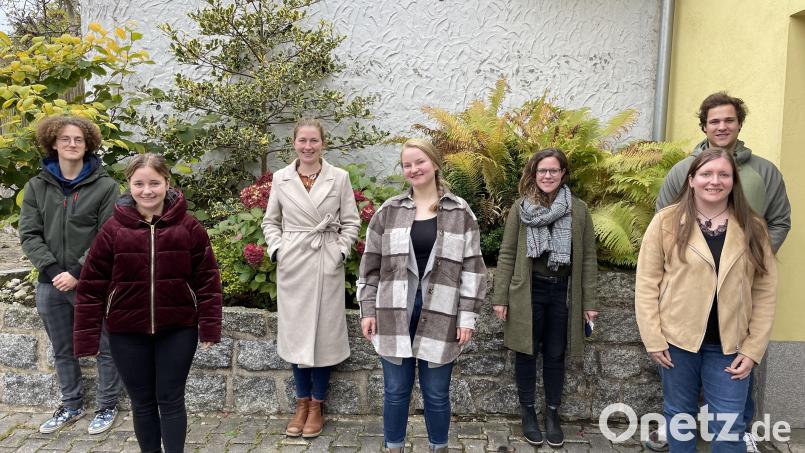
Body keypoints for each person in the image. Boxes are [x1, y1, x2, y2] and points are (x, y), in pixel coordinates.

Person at [653, 92, 790, 453]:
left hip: (734, 315)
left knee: (730, 413)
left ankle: (740, 432)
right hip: (682, 323)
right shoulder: (680, 171)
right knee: (679, 409)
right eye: (714, 121)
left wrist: (748, 259)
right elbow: (658, 247)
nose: (722, 126)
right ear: (704, 126)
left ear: (739, 123)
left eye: (729, 120)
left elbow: (779, 222)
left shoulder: (764, 173)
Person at [74, 153, 222, 453]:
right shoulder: (112, 231)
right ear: (129, 186)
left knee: (170, 399)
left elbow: (207, 280)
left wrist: (209, 327)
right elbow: (91, 287)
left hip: (178, 329)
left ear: (167, 183)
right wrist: (87, 338)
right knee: (142, 403)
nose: (147, 191)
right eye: (139, 184)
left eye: (154, 183)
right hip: (126, 332)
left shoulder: (190, 228)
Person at [635, 148, 777, 453]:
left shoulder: (754, 227)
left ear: (733, 181)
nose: (715, 181)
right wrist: (653, 338)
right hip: (678, 341)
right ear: (691, 180)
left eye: (723, 174)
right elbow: (647, 283)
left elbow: (764, 292)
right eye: (707, 174)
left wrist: (753, 350)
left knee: (729, 427)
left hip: (731, 347)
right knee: (679, 418)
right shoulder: (666, 222)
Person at [357, 138, 487, 453]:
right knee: (396, 391)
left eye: (420, 162)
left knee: (437, 393)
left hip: (442, 313)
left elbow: (473, 268)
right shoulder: (389, 211)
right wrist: (367, 310)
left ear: (435, 163)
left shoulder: (459, 211)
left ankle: (438, 447)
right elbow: (370, 266)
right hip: (393, 312)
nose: (414, 169)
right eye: (407, 164)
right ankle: (394, 447)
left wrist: (467, 316)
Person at [18, 115, 123, 435]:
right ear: (53, 142)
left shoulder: (106, 186)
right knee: (63, 348)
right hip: (50, 284)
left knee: (105, 346)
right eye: (65, 139)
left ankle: (107, 407)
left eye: (78, 139)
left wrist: (78, 271)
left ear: (87, 143)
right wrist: (52, 271)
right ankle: (71, 405)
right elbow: (29, 234)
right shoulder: (36, 186)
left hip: (91, 282)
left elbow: (109, 234)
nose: (72, 144)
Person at [491, 149, 598, 447]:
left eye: (553, 170)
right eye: (542, 171)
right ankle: (527, 413)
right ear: (533, 174)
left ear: (563, 173)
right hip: (528, 290)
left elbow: (588, 258)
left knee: (555, 353)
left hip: (562, 291)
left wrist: (590, 303)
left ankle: (552, 414)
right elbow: (508, 252)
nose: (547, 176)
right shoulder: (521, 209)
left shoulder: (578, 210)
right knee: (526, 352)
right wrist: (501, 297)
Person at [261, 118, 360, 438]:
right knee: (296, 335)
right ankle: (300, 402)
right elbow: (270, 222)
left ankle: (317, 405)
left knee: (323, 336)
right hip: (293, 265)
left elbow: (351, 222)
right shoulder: (281, 178)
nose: (307, 146)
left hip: (325, 262)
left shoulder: (339, 178)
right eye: (302, 140)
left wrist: (339, 253)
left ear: (323, 143)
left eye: (313, 140)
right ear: (293, 143)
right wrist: (278, 251)